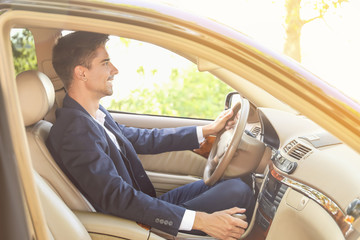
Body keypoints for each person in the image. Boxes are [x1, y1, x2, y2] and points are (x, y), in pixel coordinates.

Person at [46, 31, 254, 240]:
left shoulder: (94, 114)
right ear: (81, 73)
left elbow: (141, 138)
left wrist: (206, 130)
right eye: (105, 63)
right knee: (237, 192)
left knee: (233, 181)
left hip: (145, 207)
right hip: (136, 225)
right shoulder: (74, 132)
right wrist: (202, 221)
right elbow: (117, 198)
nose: (115, 70)